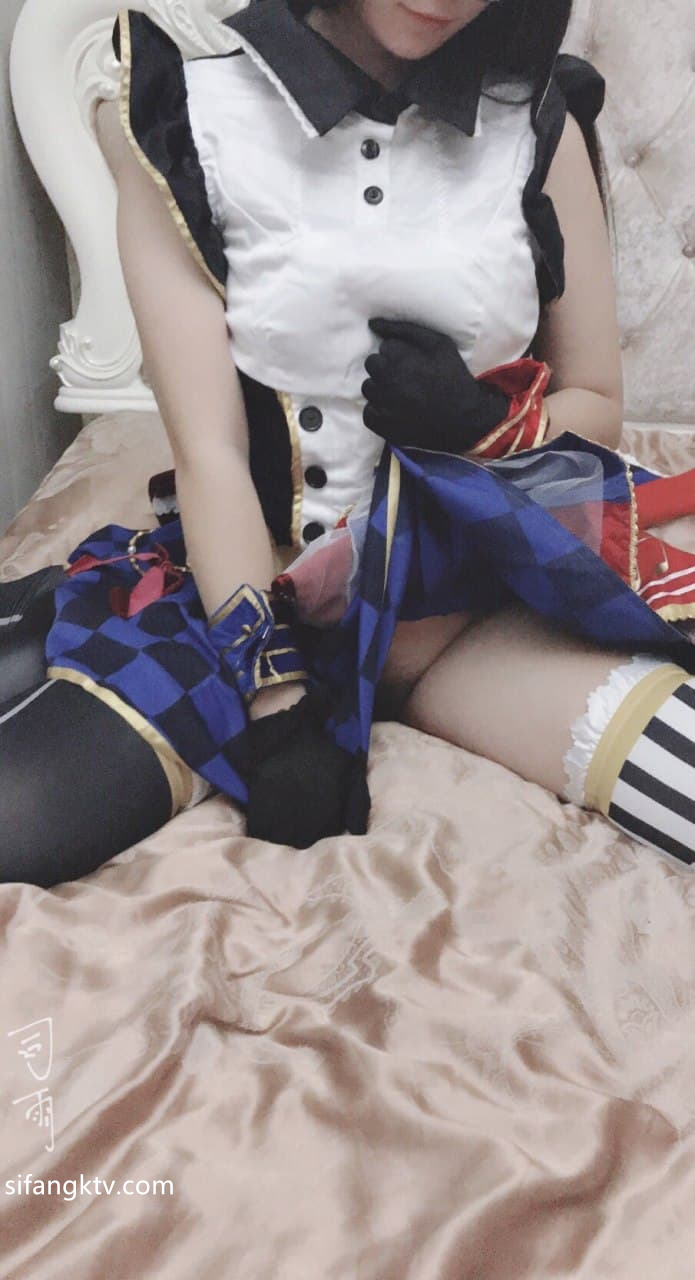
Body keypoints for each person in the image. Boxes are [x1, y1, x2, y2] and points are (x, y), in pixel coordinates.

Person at [2, 0, 695, 889]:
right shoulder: (186, 112)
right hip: (256, 584)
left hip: (475, 600)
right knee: (21, 819)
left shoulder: (535, 117)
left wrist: (482, 423)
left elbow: (596, 403)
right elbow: (210, 452)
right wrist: (277, 701)